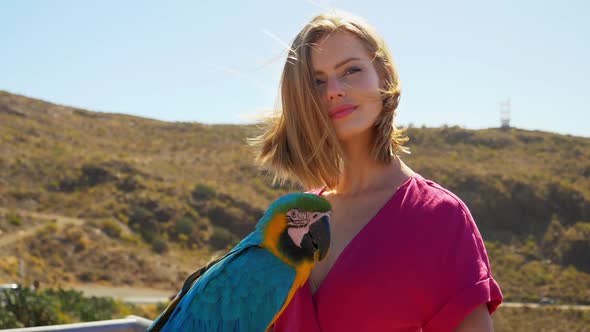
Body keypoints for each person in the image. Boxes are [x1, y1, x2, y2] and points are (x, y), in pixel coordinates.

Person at [249, 10, 502, 332]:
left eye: (351, 70)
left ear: (383, 75)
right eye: (317, 81)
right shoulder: (291, 222)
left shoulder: (439, 216)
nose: (334, 90)